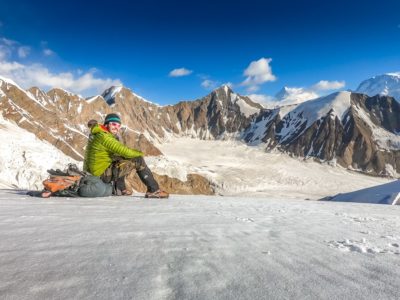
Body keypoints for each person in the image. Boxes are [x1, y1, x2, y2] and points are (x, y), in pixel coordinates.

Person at [83, 113, 169, 198]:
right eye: (113, 124)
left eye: (118, 125)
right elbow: (125, 151)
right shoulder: (104, 137)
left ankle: (120, 189)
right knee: (137, 160)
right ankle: (153, 190)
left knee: (121, 160)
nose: (116, 127)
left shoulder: (98, 134)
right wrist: (141, 154)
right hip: (100, 174)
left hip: (95, 172)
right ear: (106, 124)